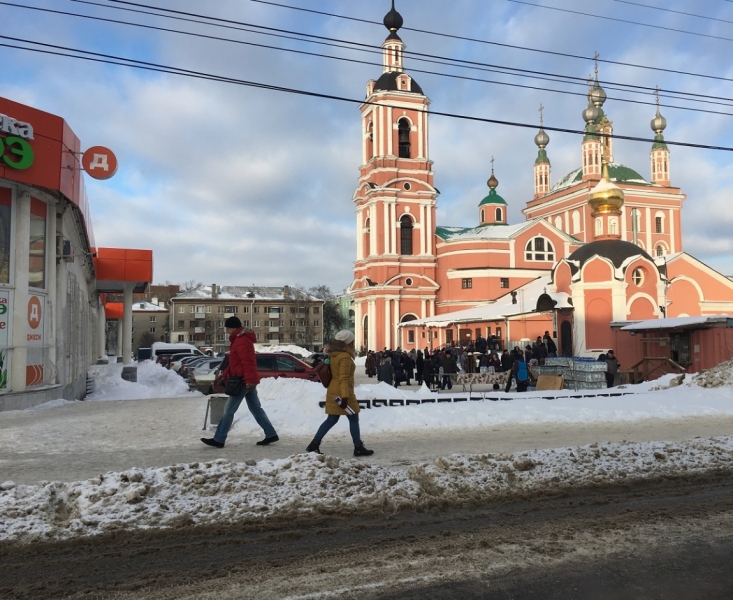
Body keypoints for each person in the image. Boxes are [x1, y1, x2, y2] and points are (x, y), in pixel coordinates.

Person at [201, 317, 278, 448]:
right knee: (256, 409)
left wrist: (248, 381)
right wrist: (224, 376)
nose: (226, 331)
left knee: (229, 410)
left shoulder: (242, 341)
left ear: (234, 328)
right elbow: (234, 363)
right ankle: (271, 434)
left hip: (242, 381)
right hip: (244, 380)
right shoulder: (238, 340)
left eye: (227, 328)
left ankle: (219, 439)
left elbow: (248, 363)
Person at [306, 330, 373, 456]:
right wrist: (345, 397)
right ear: (348, 342)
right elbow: (343, 378)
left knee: (332, 419)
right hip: (342, 392)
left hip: (333, 390)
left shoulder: (333, 355)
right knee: (353, 418)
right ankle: (358, 447)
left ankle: (314, 444)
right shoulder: (345, 357)